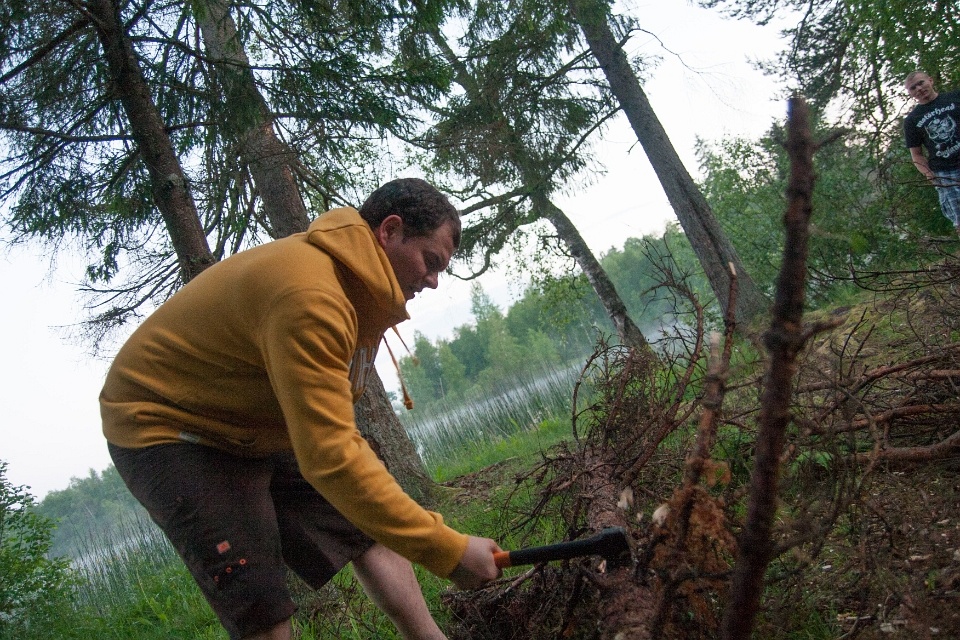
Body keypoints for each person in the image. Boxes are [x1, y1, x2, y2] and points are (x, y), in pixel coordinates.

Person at [100, 178, 502, 640]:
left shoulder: (358, 290)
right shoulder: (311, 295)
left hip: (255, 419)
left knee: (368, 524)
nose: (433, 280)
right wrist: (448, 551)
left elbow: (338, 450)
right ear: (389, 231)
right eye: (430, 262)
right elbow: (331, 456)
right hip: (170, 426)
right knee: (262, 602)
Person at [903, 70, 960, 233]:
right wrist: (931, 176)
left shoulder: (955, 97)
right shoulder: (912, 120)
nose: (919, 89)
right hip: (946, 173)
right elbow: (916, 155)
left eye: (921, 83)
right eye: (913, 88)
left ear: (930, 80)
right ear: (910, 93)